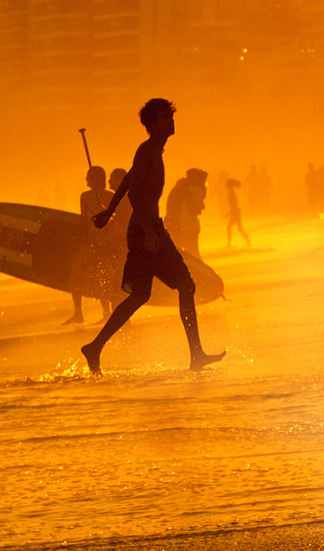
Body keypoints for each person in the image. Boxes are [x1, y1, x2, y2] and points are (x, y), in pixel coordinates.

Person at [81, 98, 225, 373]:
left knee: (140, 296)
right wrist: (148, 232)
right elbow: (135, 192)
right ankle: (196, 355)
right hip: (146, 228)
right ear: (153, 125)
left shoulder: (152, 152)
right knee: (185, 284)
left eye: (170, 117)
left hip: (145, 227)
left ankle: (95, 347)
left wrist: (110, 211)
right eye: (165, 118)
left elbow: (128, 181)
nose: (171, 122)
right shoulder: (148, 151)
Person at [68, 165, 112, 325]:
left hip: (103, 244)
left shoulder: (106, 197)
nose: (85, 179)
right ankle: (78, 314)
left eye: (88, 176)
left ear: (94, 179)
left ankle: (106, 313)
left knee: (100, 278)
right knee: (76, 277)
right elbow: (84, 221)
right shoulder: (86, 197)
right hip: (92, 243)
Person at [165, 167, 207, 257]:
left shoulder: (181, 187)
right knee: (190, 253)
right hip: (182, 225)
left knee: (182, 253)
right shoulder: (186, 189)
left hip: (176, 223)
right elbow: (192, 208)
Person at [224, 177, 250, 247]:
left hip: (235, 212)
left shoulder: (232, 193)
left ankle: (229, 244)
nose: (225, 185)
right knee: (238, 228)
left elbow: (234, 205)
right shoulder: (231, 193)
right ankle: (248, 241)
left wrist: (228, 213)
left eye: (227, 184)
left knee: (230, 228)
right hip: (236, 211)